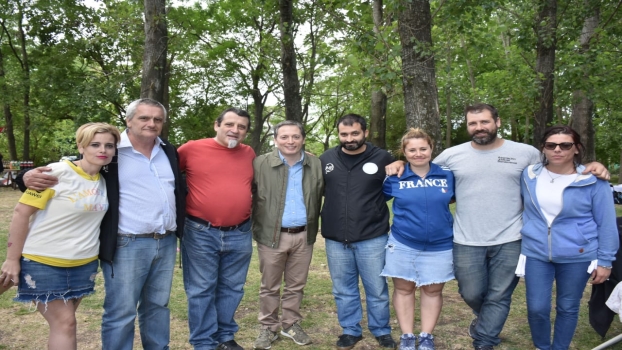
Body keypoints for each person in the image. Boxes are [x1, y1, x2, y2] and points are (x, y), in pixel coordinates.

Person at [385, 103, 609, 350]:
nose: (479, 127)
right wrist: (400, 164)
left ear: (497, 122)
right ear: (468, 126)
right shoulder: (451, 155)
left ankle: (485, 340)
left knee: (500, 295)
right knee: (471, 292)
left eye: (485, 122)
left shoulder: (525, 153)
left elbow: (558, 163)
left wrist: (590, 166)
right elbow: (424, 170)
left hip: (511, 238)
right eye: (473, 123)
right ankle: (486, 321)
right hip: (466, 238)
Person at [18, 98, 186, 350]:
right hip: (126, 243)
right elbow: (74, 166)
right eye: (144, 118)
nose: (151, 123)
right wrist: (25, 177)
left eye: (157, 119)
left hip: (165, 241)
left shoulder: (169, 151)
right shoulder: (112, 151)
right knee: (121, 310)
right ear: (128, 121)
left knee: (158, 306)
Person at [0, 122, 120, 350]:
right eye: (95, 144)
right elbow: (20, 213)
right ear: (81, 146)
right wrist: (12, 259)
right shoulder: (55, 173)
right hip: (44, 262)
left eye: (109, 145)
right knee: (66, 323)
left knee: (64, 325)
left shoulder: (105, 181)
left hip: (83, 265)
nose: (102, 150)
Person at [518, 125, 618, 350]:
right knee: (536, 308)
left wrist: (605, 261)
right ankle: (543, 347)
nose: (557, 150)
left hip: (578, 254)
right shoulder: (529, 175)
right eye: (551, 145)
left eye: (565, 145)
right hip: (536, 252)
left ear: (576, 148)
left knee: (568, 307)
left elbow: (607, 224)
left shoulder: (593, 180)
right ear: (543, 148)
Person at [178, 107, 255, 350]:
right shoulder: (191, 148)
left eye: (241, 127)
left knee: (233, 287)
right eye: (230, 124)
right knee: (201, 289)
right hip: (201, 231)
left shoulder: (249, 153)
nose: (235, 130)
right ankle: (203, 342)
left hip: (240, 232)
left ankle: (225, 336)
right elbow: (161, 168)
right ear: (217, 125)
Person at [320, 113, 397, 350]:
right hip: (335, 237)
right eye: (344, 134)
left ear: (365, 132)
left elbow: (391, 190)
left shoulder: (383, 158)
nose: (349, 138)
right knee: (343, 289)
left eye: (355, 133)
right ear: (339, 135)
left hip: (372, 236)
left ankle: (382, 330)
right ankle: (351, 330)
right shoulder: (326, 159)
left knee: (377, 289)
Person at [251, 120, 324, 349]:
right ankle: (268, 327)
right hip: (272, 235)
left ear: (303, 139)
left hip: (304, 235)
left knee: (296, 285)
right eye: (284, 137)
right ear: (275, 139)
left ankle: (290, 324)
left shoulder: (315, 164)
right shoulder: (259, 163)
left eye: (295, 137)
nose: (290, 141)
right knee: (269, 286)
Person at [381, 128, 455, 350]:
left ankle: (426, 336)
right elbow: (374, 199)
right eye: (411, 150)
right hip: (404, 242)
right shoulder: (395, 177)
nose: (418, 153)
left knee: (432, 290)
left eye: (423, 148)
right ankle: (407, 336)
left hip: (440, 245)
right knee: (404, 289)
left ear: (432, 149)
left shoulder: (447, 175)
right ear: (404, 152)